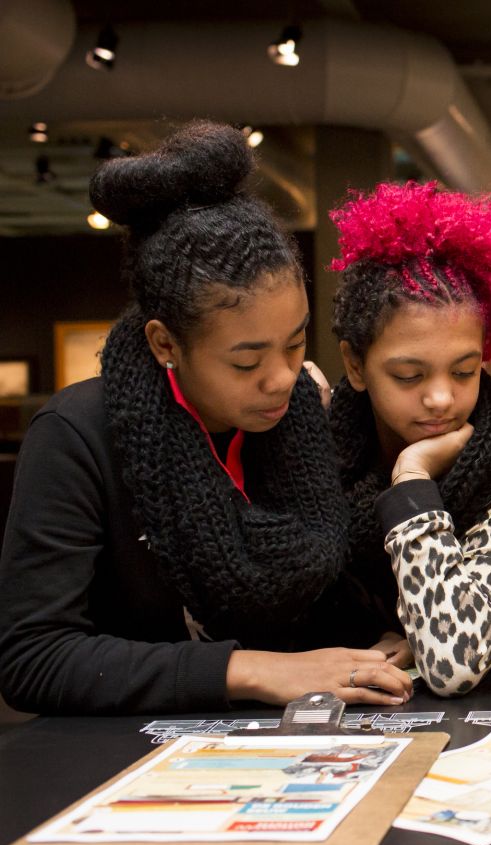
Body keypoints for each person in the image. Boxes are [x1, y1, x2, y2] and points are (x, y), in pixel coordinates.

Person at [0, 122, 412, 715]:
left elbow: (322, 588)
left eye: (295, 344)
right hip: (123, 762)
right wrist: (249, 670)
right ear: (166, 344)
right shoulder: (78, 436)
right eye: (246, 361)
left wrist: (378, 642)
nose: (281, 378)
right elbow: (34, 657)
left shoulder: (304, 417)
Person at [327, 181, 491, 697]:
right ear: (355, 365)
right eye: (409, 376)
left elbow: (456, 664)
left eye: (465, 371)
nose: (442, 399)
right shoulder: (312, 458)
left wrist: (412, 480)